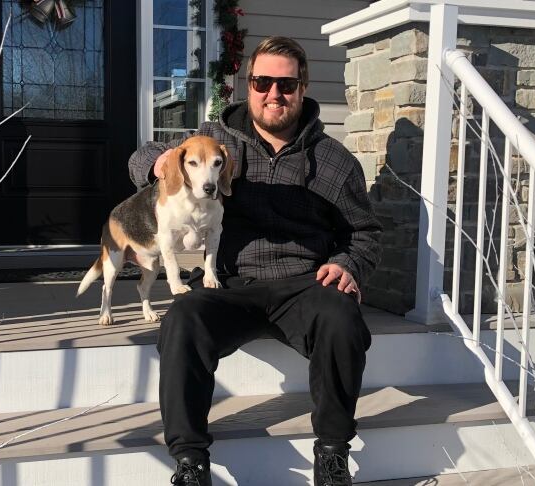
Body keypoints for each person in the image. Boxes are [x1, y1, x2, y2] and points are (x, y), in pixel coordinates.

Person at [128, 36, 382, 486]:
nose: (274, 94)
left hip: (305, 284)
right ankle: (190, 462)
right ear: (248, 86)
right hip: (230, 284)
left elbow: (363, 234)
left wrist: (348, 264)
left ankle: (332, 456)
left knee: (344, 319)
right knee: (183, 319)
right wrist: (159, 163)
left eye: (286, 84)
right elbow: (142, 155)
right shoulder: (216, 140)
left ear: (303, 87)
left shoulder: (335, 160)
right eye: (263, 82)